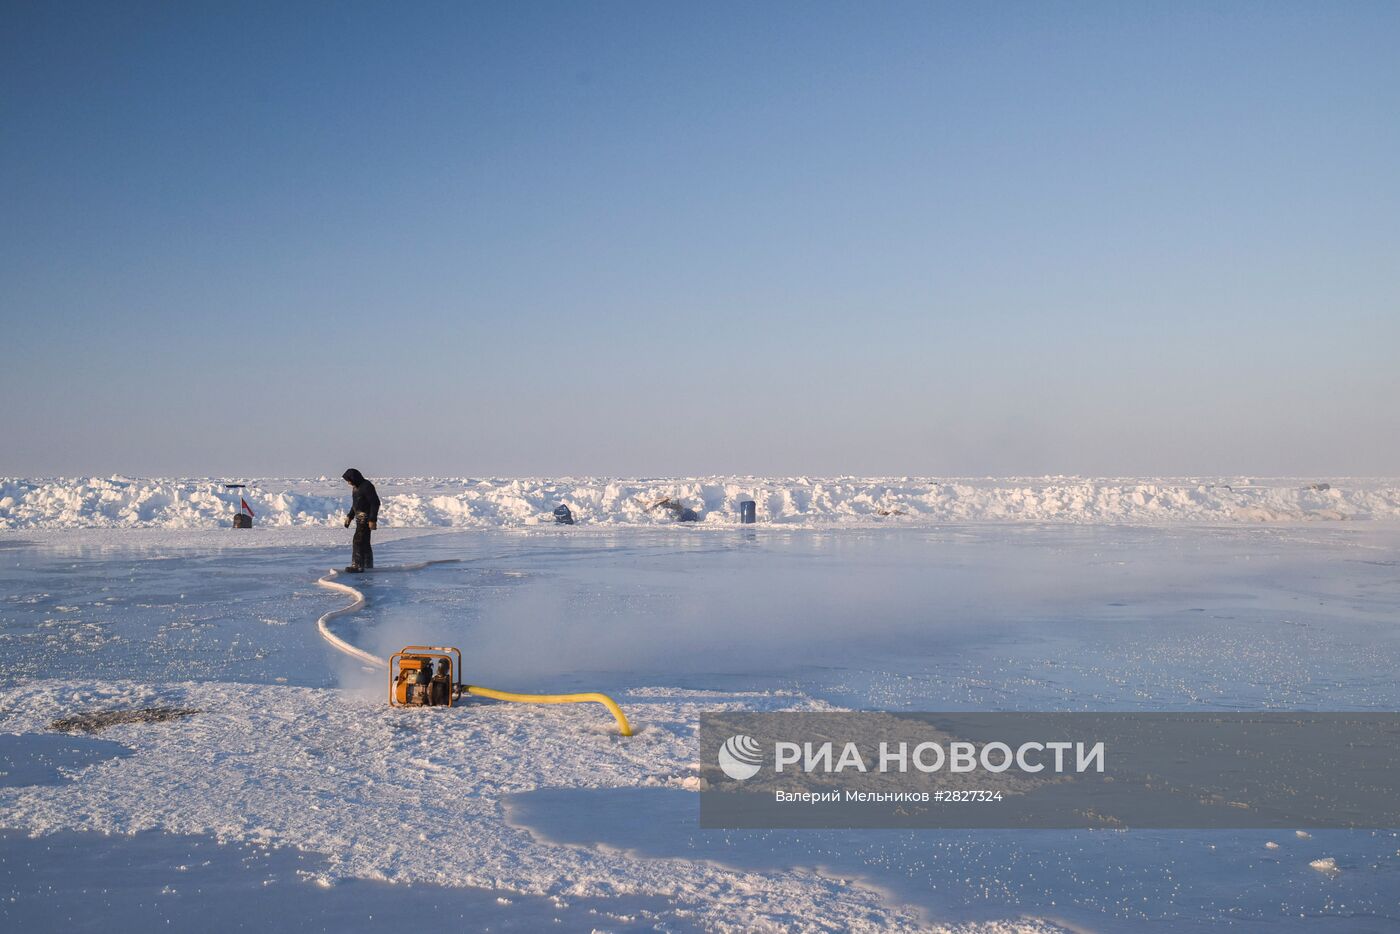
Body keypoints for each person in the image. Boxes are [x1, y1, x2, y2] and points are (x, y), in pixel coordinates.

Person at [341, 468, 380, 572]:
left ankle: (357, 565)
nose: (349, 483)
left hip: (366, 518)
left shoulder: (367, 486)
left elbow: (375, 503)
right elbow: (355, 505)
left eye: (349, 480)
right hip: (359, 517)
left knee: (358, 541)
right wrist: (350, 516)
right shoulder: (356, 487)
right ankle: (367, 564)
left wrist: (372, 519)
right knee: (365, 542)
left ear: (355, 478)